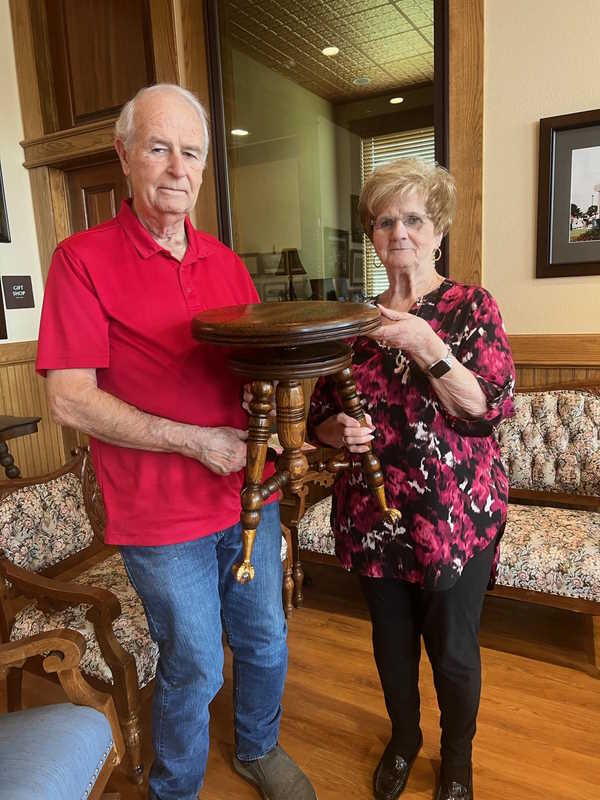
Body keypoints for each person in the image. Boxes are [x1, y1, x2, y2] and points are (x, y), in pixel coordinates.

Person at [36, 83, 317, 800]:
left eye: (190, 152)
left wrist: (293, 429)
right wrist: (196, 442)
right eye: (159, 148)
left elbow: (256, 372)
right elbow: (69, 398)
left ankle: (258, 747)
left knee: (265, 638)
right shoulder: (81, 259)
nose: (176, 168)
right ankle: (177, 787)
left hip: (248, 493)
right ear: (125, 156)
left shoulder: (224, 262)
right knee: (193, 659)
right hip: (160, 518)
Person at [308, 158, 515, 800]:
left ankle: (457, 758)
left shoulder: (470, 306)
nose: (400, 231)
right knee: (391, 647)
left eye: (415, 219)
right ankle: (404, 740)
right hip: (374, 517)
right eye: (386, 220)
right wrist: (334, 431)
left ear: (439, 230)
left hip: (456, 518)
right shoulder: (350, 321)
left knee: (453, 652)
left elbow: (488, 408)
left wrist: (429, 346)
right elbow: (318, 416)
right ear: (372, 234)